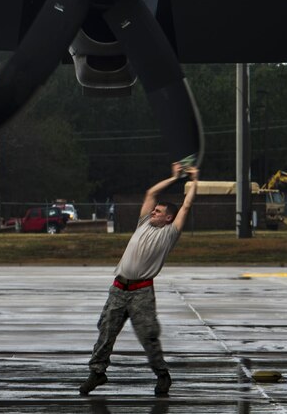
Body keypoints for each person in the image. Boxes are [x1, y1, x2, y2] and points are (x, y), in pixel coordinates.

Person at [79, 162, 199, 397]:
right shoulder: (143, 223)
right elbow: (151, 194)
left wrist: (193, 181)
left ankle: (163, 376)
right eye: (153, 211)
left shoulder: (169, 233)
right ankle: (97, 373)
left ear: (168, 218)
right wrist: (174, 177)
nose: (153, 212)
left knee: (148, 337)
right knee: (106, 331)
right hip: (118, 287)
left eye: (158, 212)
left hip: (141, 292)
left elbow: (187, 205)